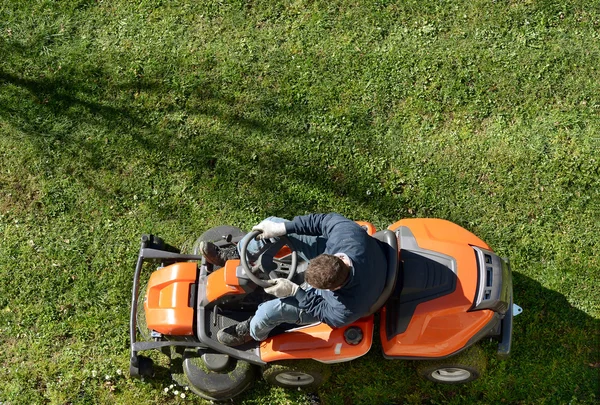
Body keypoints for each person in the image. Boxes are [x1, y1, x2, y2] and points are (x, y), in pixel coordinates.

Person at [199, 213, 388, 346]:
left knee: (269, 311)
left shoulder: (346, 308)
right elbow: (320, 221)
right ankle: (240, 254)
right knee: (272, 224)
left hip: (361, 287)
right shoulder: (347, 234)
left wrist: (295, 292)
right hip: (366, 261)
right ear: (335, 256)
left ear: (334, 289)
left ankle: (251, 331)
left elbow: (321, 310)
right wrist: (282, 228)